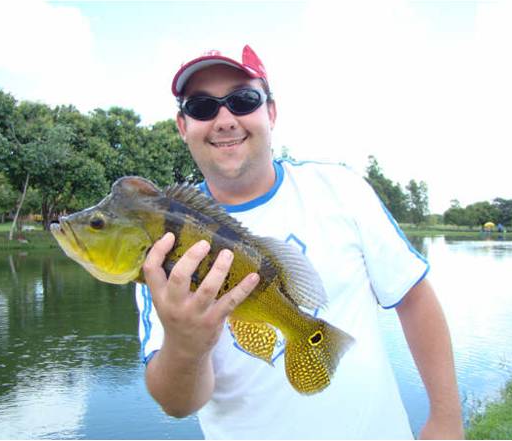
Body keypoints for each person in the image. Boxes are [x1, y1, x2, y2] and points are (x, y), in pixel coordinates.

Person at [136, 44, 464, 440]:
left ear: (271, 112)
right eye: (202, 107)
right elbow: (178, 405)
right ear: (182, 125)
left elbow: (413, 296)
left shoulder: (340, 189)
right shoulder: (162, 241)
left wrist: (446, 419)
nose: (224, 120)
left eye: (243, 100)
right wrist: (185, 345)